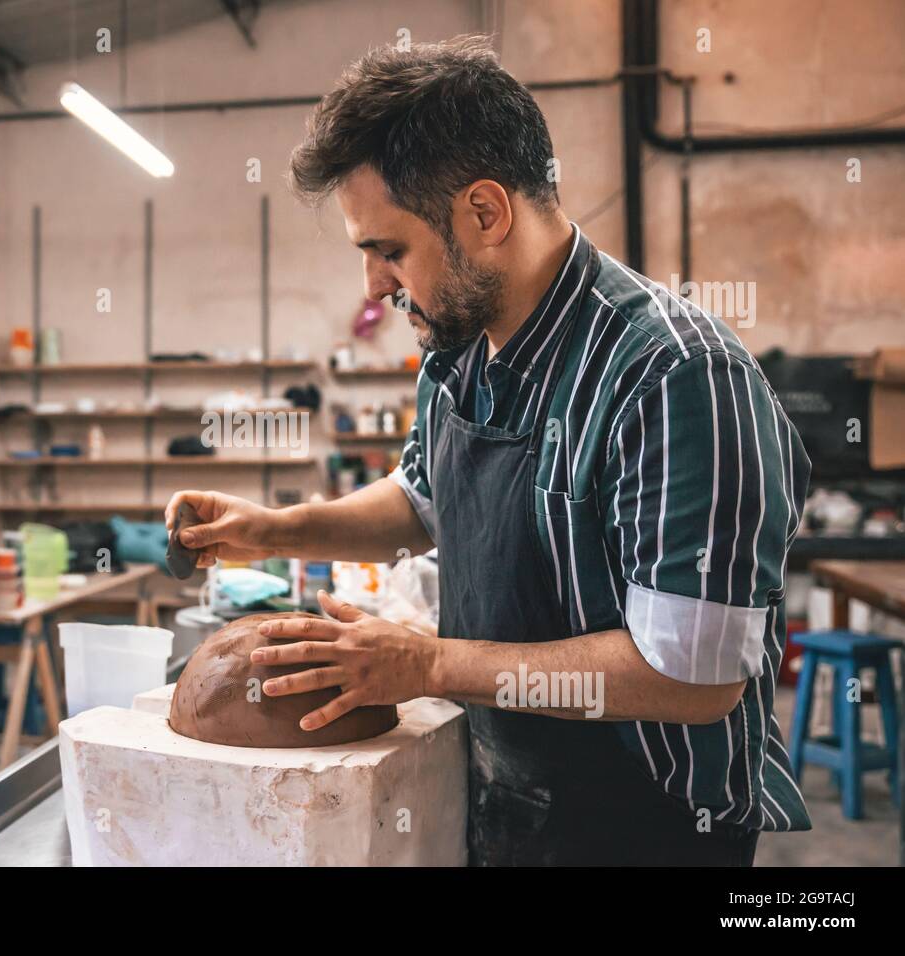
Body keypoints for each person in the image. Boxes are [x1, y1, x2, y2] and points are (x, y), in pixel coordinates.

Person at [166, 35, 810, 866]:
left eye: (388, 250)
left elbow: (692, 679)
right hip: (500, 796)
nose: (373, 288)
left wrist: (428, 663)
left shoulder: (675, 377)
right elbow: (422, 502)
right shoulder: (459, 349)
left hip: (644, 828)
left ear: (484, 213)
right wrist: (273, 531)